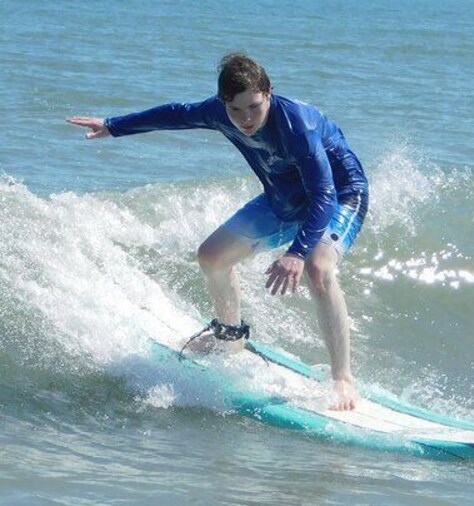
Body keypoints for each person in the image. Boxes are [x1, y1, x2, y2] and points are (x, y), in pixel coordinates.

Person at [67, 53, 368, 411]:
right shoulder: (219, 113)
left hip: (339, 195)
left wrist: (296, 252)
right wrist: (114, 125)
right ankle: (229, 336)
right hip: (284, 196)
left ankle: (342, 379)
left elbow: (324, 194)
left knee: (318, 267)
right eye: (236, 110)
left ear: (269, 93)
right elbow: (176, 114)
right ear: (224, 103)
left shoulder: (297, 126)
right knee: (211, 256)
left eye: (254, 107)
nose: (245, 120)